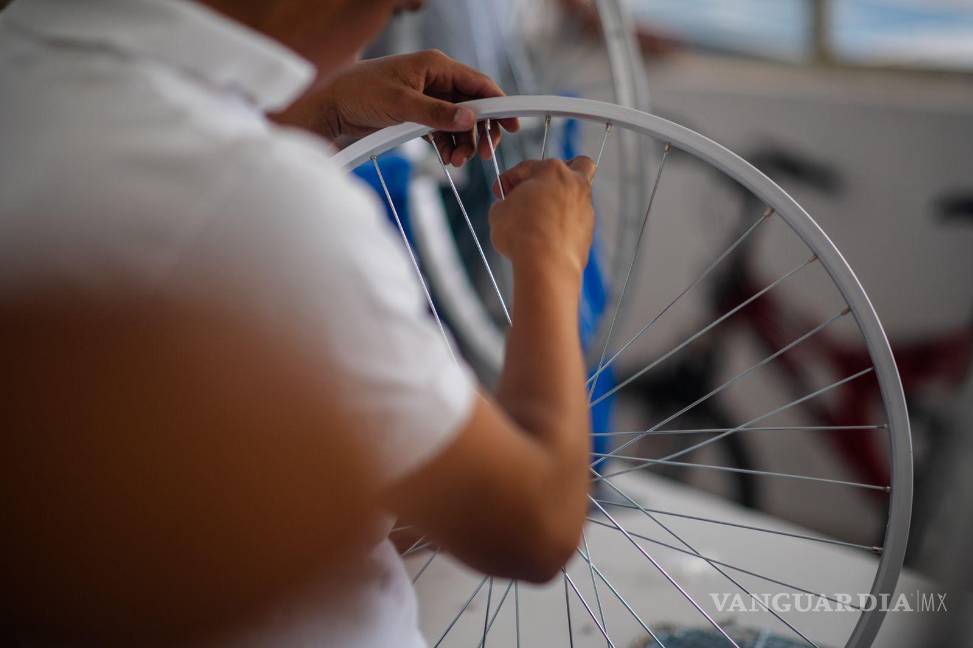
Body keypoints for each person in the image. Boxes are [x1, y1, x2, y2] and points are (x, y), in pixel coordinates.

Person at [0, 0, 597, 645]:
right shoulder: (262, 200)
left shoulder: (24, 64)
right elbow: (533, 525)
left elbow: (135, 184)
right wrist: (551, 255)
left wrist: (316, 113)